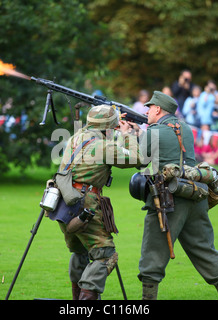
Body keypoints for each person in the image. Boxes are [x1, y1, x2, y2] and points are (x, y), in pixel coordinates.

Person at [137, 91, 218, 300]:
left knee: (153, 255)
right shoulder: (186, 129)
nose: (146, 111)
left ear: (158, 109)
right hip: (195, 194)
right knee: (205, 250)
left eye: (149, 107)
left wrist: (131, 134)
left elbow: (139, 160)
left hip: (167, 200)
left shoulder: (153, 132)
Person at [53, 105, 141, 300]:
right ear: (108, 127)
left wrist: (113, 122)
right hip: (85, 204)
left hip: (63, 203)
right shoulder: (104, 146)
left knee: (80, 251)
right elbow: (138, 159)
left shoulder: (77, 137)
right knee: (106, 255)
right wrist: (128, 135)